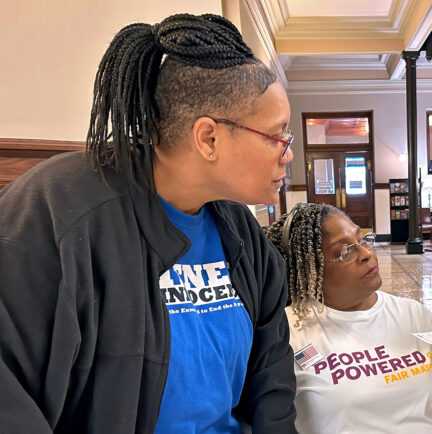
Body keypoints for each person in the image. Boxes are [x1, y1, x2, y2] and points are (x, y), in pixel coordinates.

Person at [0, 14, 297, 433]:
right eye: (277, 135)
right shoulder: (57, 208)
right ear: (208, 138)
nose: (287, 154)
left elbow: (272, 376)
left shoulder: (240, 231)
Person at [265, 203, 432, 434]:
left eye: (364, 240)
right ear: (309, 270)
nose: (367, 254)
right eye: (346, 251)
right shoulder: (286, 335)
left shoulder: (418, 317)